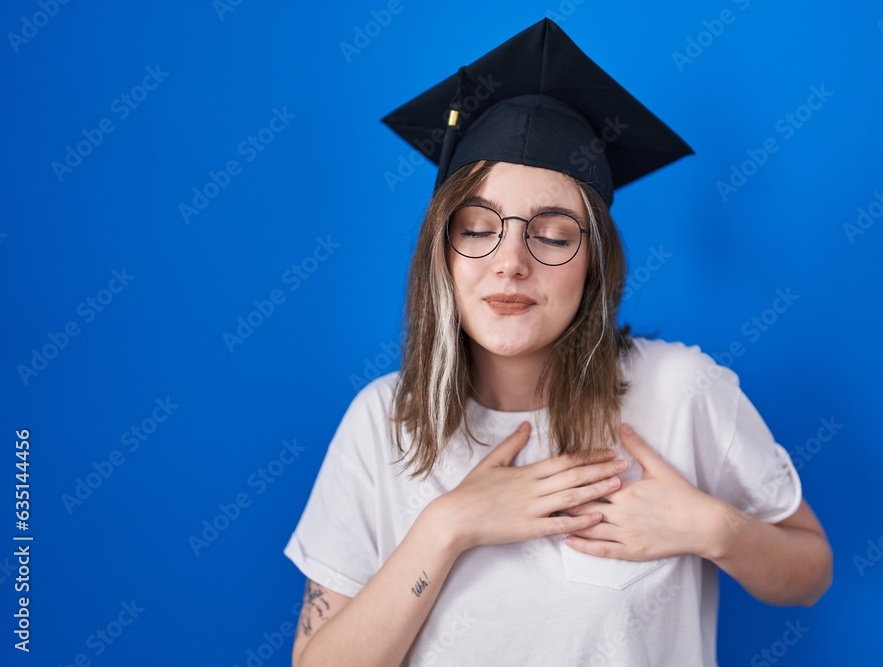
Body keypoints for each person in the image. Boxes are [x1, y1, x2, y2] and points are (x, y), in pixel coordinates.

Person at [284, 18, 833, 667]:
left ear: (594, 262)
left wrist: (712, 528)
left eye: (550, 233)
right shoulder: (382, 422)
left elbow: (810, 570)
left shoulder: (681, 393)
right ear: (443, 254)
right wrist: (447, 525)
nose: (510, 262)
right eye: (479, 227)